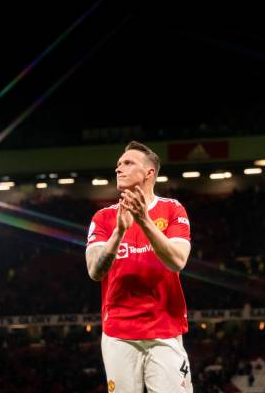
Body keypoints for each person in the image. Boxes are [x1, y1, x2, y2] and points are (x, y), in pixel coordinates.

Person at [85, 141, 193, 392]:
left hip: (165, 329)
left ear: (149, 173)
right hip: (119, 334)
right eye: (118, 164)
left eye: (127, 163)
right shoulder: (103, 218)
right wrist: (120, 232)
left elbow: (177, 261)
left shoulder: (172, 209)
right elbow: (94, 271)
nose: (118, 169)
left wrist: (144, 221)